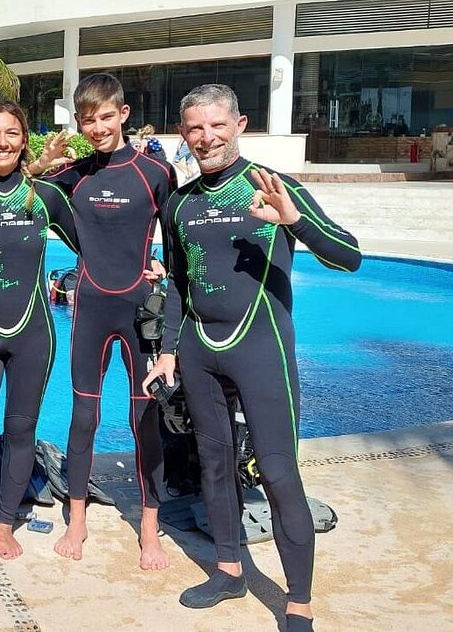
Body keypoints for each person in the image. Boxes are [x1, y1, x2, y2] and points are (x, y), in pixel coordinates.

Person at [144, 83, 361, 630]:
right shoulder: (180, 203)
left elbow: (350, 257)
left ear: (240, 124)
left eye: (217, 125)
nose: (206, 137)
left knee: (279, 470)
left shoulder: (272, 186)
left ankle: (299, 602)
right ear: (184, 134)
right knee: (213, 465)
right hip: (199, 350)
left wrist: (295, 221)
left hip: (260, 346)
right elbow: (177, 284)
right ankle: (230, 570)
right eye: (195, 128)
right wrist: (168, 350)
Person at [28, 73, 176, 567]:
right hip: (90, 305)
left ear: (123, 114)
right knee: (84, 416)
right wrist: (44, 163)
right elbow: (21, 191)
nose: (96, 128)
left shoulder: (154, 173)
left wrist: (168, 271)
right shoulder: (74, 175)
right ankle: (77, 519)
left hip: (137, 307)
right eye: (87, 120)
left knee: (143, 419)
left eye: (105, 117)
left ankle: (150, 526)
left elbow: (176, 239)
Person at [0, 99, 78, 560]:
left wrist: (142, 266)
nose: (1, 142)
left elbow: (89, 243)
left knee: (22, 430)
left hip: (34, 334)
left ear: (23, 141)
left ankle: (6, 520)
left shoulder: (43, 197)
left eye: (11, 133)